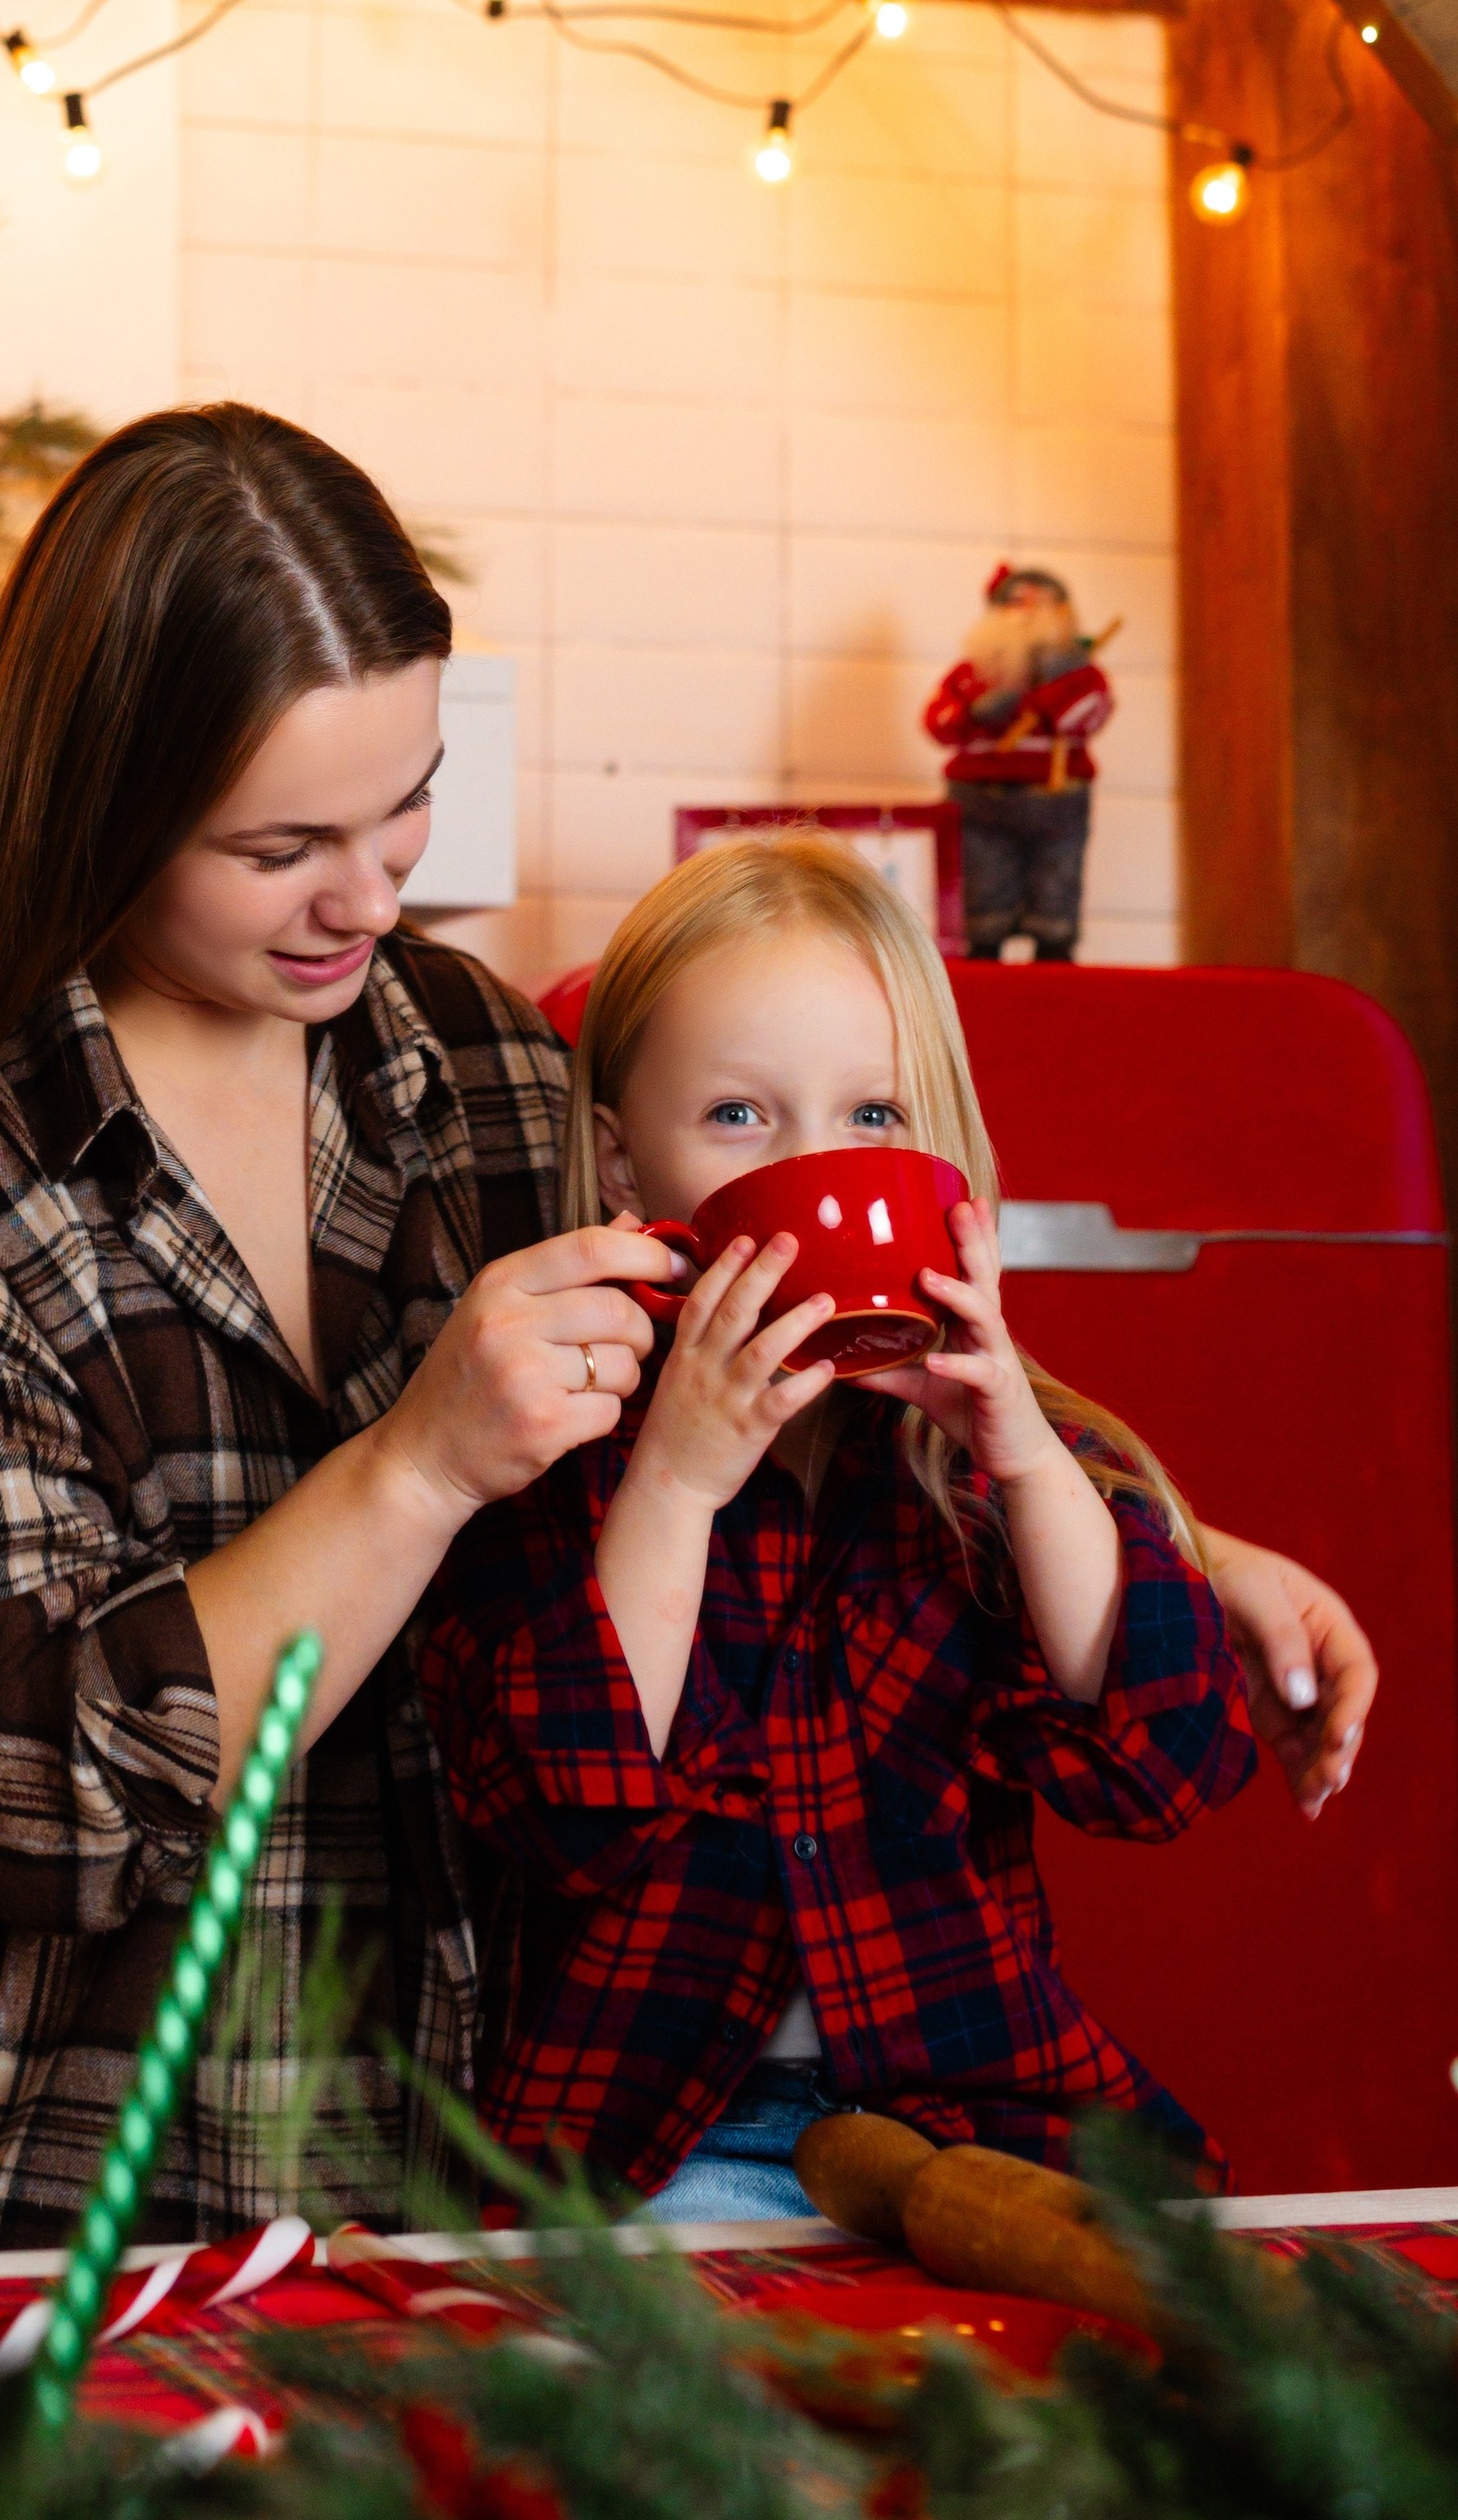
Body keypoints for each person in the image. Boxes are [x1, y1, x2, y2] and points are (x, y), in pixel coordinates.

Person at [0, 403, 1375, 2259]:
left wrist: (1188, 1550)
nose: (370, 887)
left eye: (403, 797)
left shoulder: (473, 1068)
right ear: (103, 806)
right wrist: (413, 1466)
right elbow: (1, 1803)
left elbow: (806, 1358)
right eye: (280, 843)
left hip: (391, 2193)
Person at [421, 834, 1256, 2220]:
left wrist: (1023, 1454)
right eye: (740, 1117)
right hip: (661, 2148)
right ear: (628, 1170)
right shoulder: (552, 1445)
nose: (817, 1167)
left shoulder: (984, 1463)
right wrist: (676, 1487)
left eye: (870, 1117)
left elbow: (1165, 1763)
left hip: (984, 2119)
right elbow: (558, 1807)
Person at [926, 562, 1115, 962]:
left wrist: (1058, 694)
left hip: (1057, 801)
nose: (1027, 613)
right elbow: (938, 724)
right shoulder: (969, 675)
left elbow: (1087, 718)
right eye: (1016, 604)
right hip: (980, 802)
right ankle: (984, 967)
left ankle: (1054, 969)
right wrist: (974, 713)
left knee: (1055, 890)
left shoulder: (1080, 676)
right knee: (983, 896)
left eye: (1040, 605)